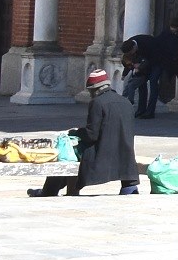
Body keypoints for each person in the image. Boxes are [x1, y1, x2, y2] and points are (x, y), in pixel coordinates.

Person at [31, 68, 139, 196]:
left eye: (90, 91)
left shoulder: (97, 103)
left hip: (101, 153)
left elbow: (91, 135)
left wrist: (75, 133)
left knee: (67, 152)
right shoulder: (125, 102)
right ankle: (130, 189)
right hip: (125, 155)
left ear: (95, 89)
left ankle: (48, 191)